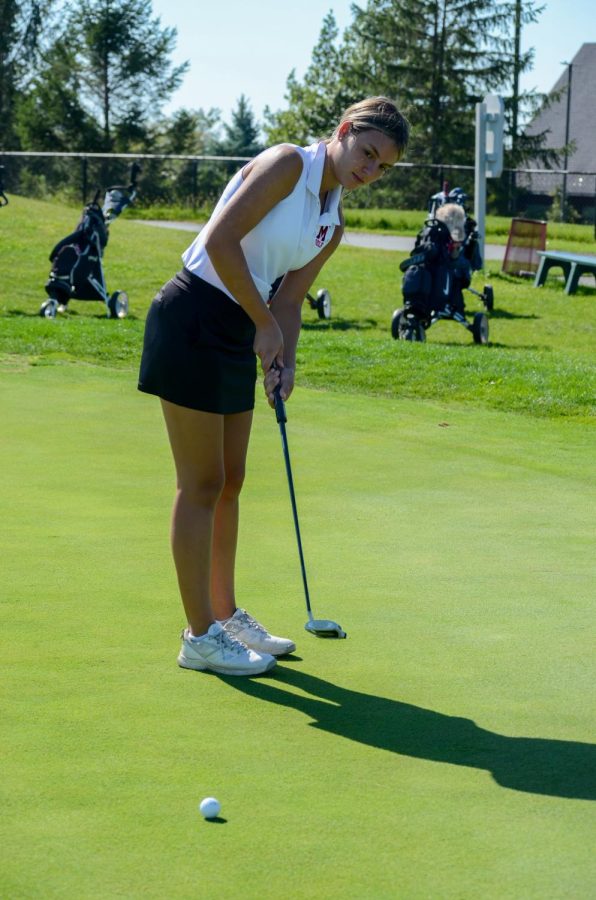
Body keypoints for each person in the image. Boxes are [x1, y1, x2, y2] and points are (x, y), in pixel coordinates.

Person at [138, 96, 410, 676]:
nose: (369, 170)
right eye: (367, 153)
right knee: (202, 481)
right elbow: (219, 242)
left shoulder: (331, 223)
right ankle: (199, 636)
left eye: (382, 167)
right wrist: (263, 326)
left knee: (232, 480)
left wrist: (284, 358)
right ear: (343, 132)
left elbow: (288, 300)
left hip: (242, 326)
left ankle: (225, 613)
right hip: (192, 317)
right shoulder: (287, 164)